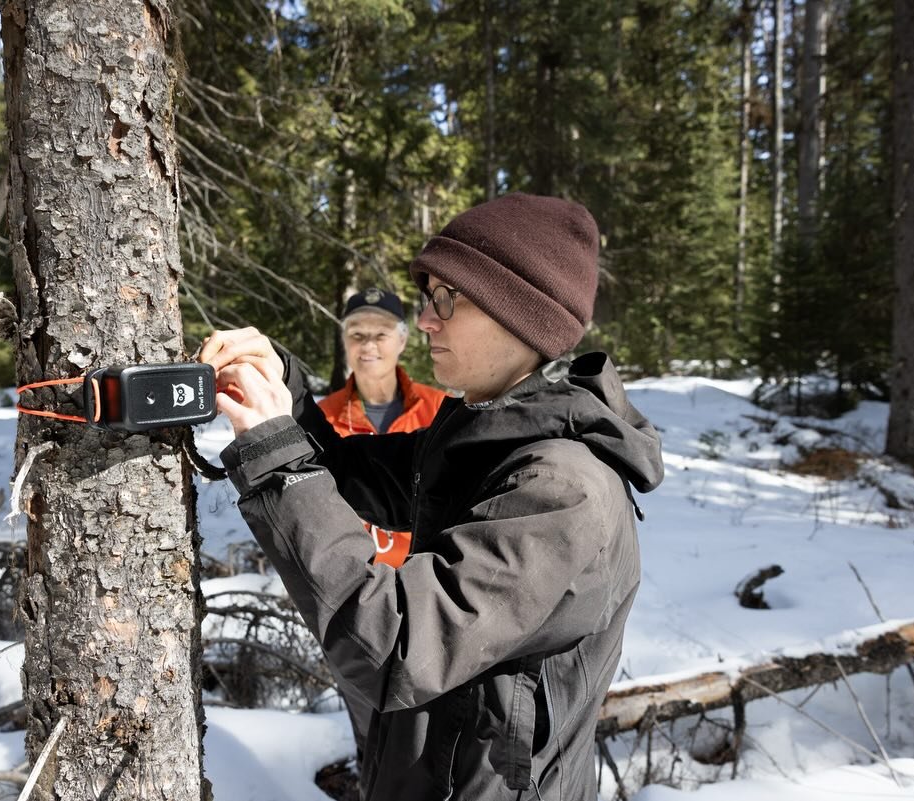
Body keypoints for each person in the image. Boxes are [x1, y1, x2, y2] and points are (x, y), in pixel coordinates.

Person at [201, 193, 664, 801]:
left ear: (520, 315)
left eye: (450, 299)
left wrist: (275, 457)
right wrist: (283, 389)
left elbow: (396, 647)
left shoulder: (559, 491)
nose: (425, 320)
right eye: (429, 297)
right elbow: (356, 478)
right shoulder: (487, 440)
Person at [319, 287, 446, 438]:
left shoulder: (439, 409)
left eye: (381, 334)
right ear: (343, 341)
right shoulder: (322, 416)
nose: (368, 345)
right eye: (357, 334)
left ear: (402, 341)